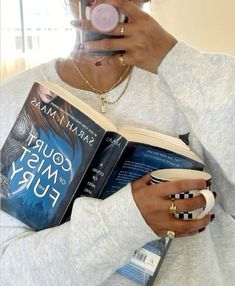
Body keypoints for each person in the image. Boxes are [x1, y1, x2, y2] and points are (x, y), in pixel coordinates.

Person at [0, 0, 234, 285]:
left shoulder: (205, 83)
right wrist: (128, 219)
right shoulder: (10, 100)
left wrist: (174, 60)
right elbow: (11, 269)